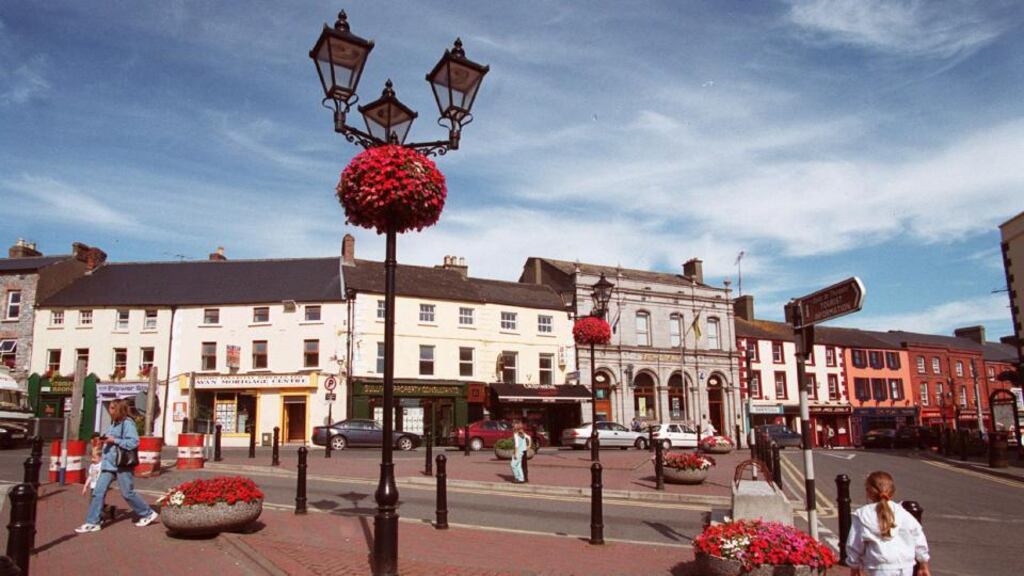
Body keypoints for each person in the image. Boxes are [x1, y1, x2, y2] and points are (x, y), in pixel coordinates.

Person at [75, 399, 159, 533]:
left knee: (127, 493)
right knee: (98, 492)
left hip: (122, 464)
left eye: (113, 408)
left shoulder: (127, 423)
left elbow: (133, 442)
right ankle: (93, 522)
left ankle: (147, 513)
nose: (110, 410)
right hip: (109, 464)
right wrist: (104, 442)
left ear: (119, 409)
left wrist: (114, 440)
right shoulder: (114, 424)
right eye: (110, 407)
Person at [846, 471, 930, 576]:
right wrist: (923, 564)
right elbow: (918, 538)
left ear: (868, 492)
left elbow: (854, 544)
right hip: (905, 567)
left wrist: (854, 567)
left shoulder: (862, 514)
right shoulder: (903, 513)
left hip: (879, 568)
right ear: (892, 491)